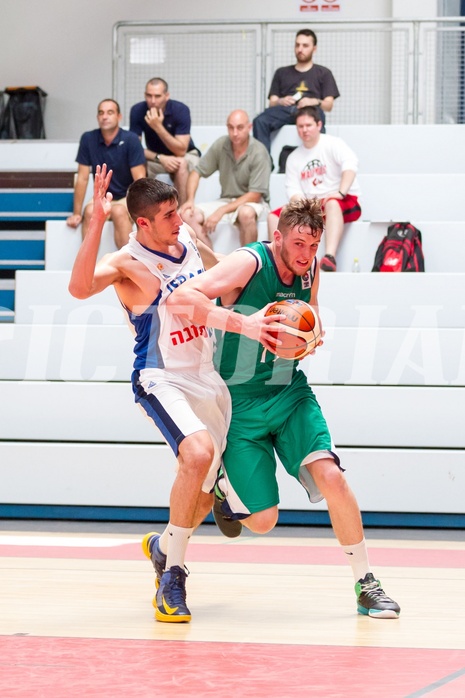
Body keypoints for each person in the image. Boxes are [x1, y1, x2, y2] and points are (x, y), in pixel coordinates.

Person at [167, 198, 401, 620]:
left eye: (313, 246)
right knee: (262, 521)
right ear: (277, 237)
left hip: (289, 392)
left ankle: (366, 584)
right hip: (240, 405)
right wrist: (247, 324)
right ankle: (219, 493)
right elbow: (184, 298)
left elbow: (307, 313)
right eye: (298, 244)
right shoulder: (248, 262)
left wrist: (310, 335)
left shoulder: (308, 267)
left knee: (331, 476)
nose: (305, 254)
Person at [68, 165, 281, 624]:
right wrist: (96, 224)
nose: (177, 220)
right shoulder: (128, 263)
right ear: (142, 223)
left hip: (207, 378)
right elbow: (79, 287)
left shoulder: (188, 245)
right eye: (167, 215)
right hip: (161, 376)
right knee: (197, 453)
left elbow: (227, 278)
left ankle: (163, 547)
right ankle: (174, 577)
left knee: (201, 495)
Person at [268, 105, 362, 271]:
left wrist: (340, 192)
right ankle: (276, 262)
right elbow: (293, 190)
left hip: (341, 200)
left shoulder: (333, 143)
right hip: (313, 205)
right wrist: (307, 207)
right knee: (274, 216)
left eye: (308, 125)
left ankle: (329, 257)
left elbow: (351, 165)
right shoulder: (294, 157)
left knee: (332, 203)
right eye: (300, 126)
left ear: (319, 125)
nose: (304, 130)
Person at [179, 109, 271, 249]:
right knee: (187, 215)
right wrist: (190, 199)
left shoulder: (259, 151)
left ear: (249, 127)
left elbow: (255, 195)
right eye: (231, 127)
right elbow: (196, 173)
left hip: (254, 203)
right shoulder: (221, 144)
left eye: (240, 127)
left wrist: (221, 211)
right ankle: (212, 262)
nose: (235, 133)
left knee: (246, 213)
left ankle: (249, 266)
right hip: (226, 200)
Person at [66, 99, 146, 249]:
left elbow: (140, 179)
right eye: (101, 113)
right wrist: (77, 213)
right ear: (97, 117)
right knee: (89, 211)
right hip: (101, 197)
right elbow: (82, 178)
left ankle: (128, 269)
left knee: (118, 211)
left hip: (125, 197)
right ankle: (88, 269)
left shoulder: (131, 139)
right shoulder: (88, 138)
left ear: (119, 117)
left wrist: (143, 210)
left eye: (110, 112)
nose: (105, 116)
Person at [253, 28, 340, 156]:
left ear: (314, 49)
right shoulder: (281, 72)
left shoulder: (323, 73)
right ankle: (263, 163)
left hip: (311, 110)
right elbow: (272, 102)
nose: (300, 49)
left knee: (318, 119)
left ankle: (318, 160)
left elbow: (329, 105)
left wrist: (313, 101)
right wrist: (281, 101)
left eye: (305, 46)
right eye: (297, 45)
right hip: (285, 110)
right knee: (259, 121)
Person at [129, 78, 200, 206]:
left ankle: (181, 213)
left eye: (157, 96)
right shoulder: (137, 110)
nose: (153, 101)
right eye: (149, 96)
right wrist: (160, 158)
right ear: (145, 95)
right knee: (136, 162)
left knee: (181, 164)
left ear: (167, 96)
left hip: (185, 155)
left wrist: (157, 126)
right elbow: (134, 148)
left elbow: (181, 149)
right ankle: (144, 211)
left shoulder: (180, 109)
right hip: (157, 158)